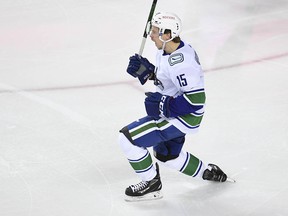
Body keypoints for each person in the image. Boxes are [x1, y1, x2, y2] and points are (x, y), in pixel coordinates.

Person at [118, 12, 228, 202]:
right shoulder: (168, 51)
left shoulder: (182, 63)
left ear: (167, 34)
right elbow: (170, 81)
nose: (151, 35)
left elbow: (195, 100)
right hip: (179, 114)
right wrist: (149, 72)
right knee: (166, 155)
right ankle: (207, 171)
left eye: (155, 31)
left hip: (183, 117)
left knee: (127, 139)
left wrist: (163, 106)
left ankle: (152, 185)